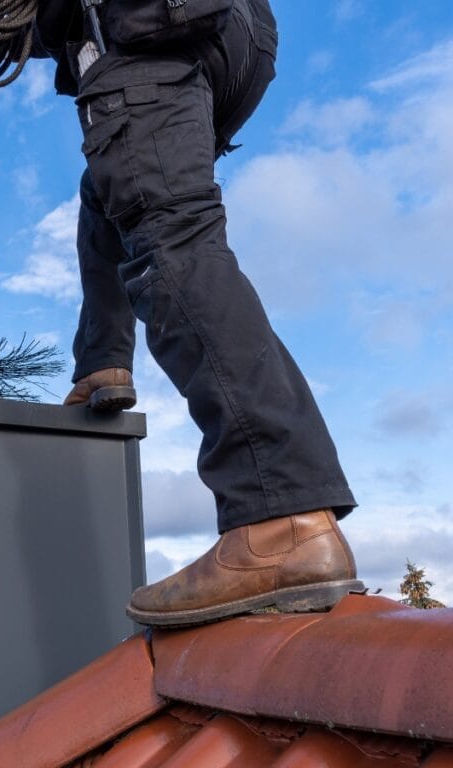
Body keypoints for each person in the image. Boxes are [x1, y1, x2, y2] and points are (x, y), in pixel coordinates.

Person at [33, 0, 364, 626]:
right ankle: (103, 360)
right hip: (234, 32)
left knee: (170, 237)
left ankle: (281, 519)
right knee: (109, 186)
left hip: (140, 24)